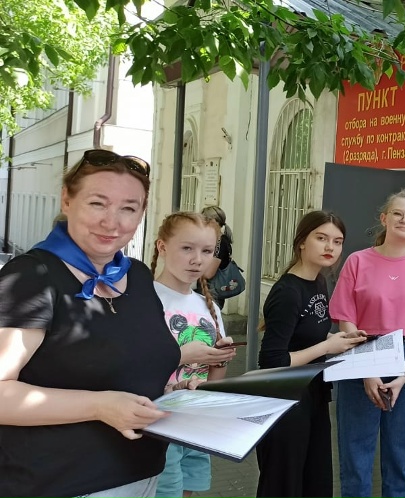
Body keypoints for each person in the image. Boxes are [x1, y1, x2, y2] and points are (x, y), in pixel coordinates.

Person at [0, 149, 198, 498]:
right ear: (67, 200)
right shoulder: (33, 277)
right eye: (97, 204)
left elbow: (127, 368)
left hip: (143, 476)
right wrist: (99, 406)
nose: (112, 222)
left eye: (128, 208)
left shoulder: (137, 275)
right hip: (58, 484)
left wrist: (169, 397)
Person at [329, 188, 405, 498]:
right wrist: (366, 370)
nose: (404, 220)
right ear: (384, 218)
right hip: (362, 352)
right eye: (398, 213)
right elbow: (345, 319)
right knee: (356, 454)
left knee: (400, 455)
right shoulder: (357, 262)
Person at [255, 210, 366, 498]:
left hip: (313, 394)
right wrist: (327, 347)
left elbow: (307, 336)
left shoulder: (318, 282)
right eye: (322, 238)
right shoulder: (288, 292)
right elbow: (273, 362)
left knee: (315, 479)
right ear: (302, 241)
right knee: (284, 484)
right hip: (285, 399)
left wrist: (339, 340)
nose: (330, 247)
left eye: (337, 241)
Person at [150, 212, 238, 498]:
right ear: (162, 246)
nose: (197, 260)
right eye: (187, 248)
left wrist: (220, 357)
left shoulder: (208, 306)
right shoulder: (145, 300)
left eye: (207, 251)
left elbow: (214, 380)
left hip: (196, 422)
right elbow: (130, 367)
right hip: (157, 425)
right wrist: (182, 355)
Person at [200, 206, 234, 309]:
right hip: (207, 290)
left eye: (205, 220)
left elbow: (209, 273)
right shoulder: (215, 240)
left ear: (214, 221)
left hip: (212, 293)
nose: (202, 224)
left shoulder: (221, 243)